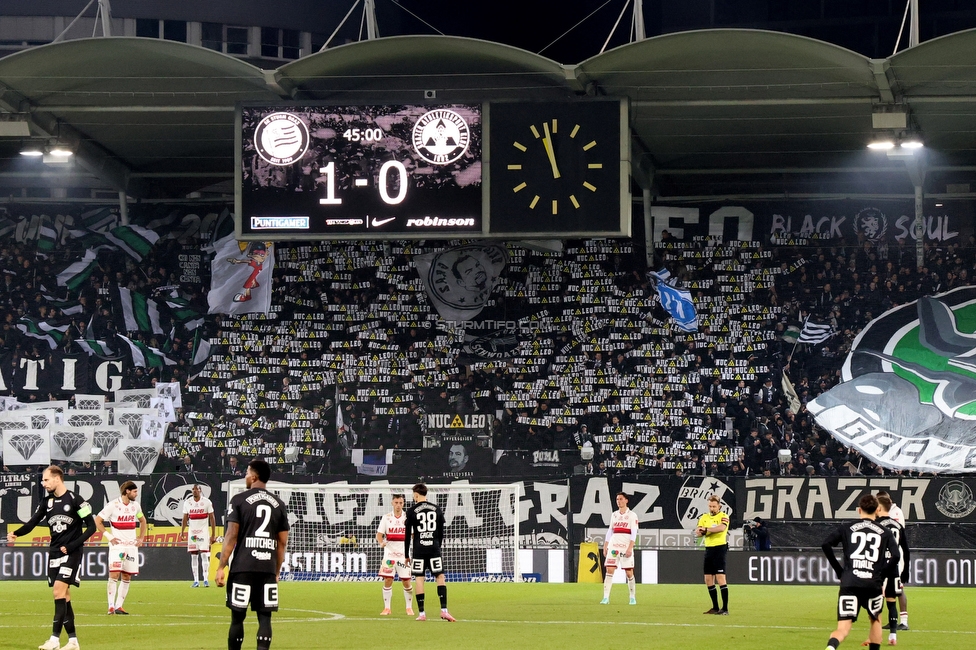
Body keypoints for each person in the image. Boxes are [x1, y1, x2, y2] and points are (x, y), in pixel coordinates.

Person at [6, 465, 97, 650]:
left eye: (46, 479)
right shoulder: (46, 502)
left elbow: (92, 527)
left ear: (57, 479)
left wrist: (72, 545)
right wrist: (16, 532)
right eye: (42, 480)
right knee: (65, 596)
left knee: (58, 590)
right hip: (54, 553)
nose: (43, 483)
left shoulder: (76, 500)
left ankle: (54, 639)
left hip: (72, 553)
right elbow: (32, 523)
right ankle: (73, 641)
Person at [216, 459, 289, 650]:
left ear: (254, 476)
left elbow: (231, 536)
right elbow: (282, 543)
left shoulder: (239, 500)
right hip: (266, 569)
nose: (245, 476)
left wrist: (221, 567)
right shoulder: (279, 504)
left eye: (247, 472)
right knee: (265, 618)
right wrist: (276, 571)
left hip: (243, 567)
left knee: (237, 618)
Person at [821, 493, 899, 650]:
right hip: (872, 583)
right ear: (877, 510)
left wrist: (839, 571)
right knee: (875, 619)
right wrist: (881, 574)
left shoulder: (847, 528)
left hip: (850, 581)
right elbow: (896, 556)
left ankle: (831, 647)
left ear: (859, 510)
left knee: (843, 628)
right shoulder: (884, 532)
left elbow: (826, 544)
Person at [403, 483, 455, 622]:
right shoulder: (436, 509)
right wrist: (438, 546)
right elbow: (441, 533)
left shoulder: (412, 511)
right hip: (434, 549)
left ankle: (422, 613)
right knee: (440, 577)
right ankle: (444, 610)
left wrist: (407, 554)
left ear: (416, 494)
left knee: (419, 579)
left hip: (419, 549)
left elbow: (407, 535)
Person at [95, 480, 147, 616]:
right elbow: (97, 521)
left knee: (126, 576)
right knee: (114, 574)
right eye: (135, 491)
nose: (136, 494)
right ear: (127, 491)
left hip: (131, 546)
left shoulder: (135, 506)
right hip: (117, 546)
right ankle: (111, 606)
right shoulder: (113, 505)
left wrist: (141, 537)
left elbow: (142, 520)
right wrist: (109, 536)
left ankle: (119, 606)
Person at [872, 493, 910, 646]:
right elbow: (906, 550)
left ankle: (876, 635)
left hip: (880, 566)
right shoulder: (898, 525)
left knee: (876, 602)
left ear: (879, 508)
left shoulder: (876, 525)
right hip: (894, 566)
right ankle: (893, 636)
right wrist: (906, 569)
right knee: (891, 601)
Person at [375, 493, 415, 616]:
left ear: (403, 504)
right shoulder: (386, 518)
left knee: (406, 581)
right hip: (389, 555)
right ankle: (387, 608)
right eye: (396, 503)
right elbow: (379, 535)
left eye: (400, 503)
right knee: (388, 580)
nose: (398, 505)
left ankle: (409, 607)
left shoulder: (408, 517)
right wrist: (381, 543)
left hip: (404, 555)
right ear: (392, 503)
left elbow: (413, 535)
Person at [600, 491, 639, 605]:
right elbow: (610, 530)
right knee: (609, 570)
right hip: (614, 546)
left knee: (629, 573)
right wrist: (606, 544)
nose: (619, 501)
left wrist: (630, 548)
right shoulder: (614, 515)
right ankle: (606, 598)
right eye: (617, 499)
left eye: (621, 499)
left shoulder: (632, 515)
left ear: (626, 500)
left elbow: (634, 533)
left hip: (625, 546)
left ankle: (632, 597)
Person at [695, 494, 730, 615]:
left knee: (720, 578)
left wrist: (706, 530)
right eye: (710, 506)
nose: (712, 508)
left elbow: (721, 528)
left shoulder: (724, 516)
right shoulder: (704, 517)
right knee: (708, 579)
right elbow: (698, 532)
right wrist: (703, 531)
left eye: (714, 506)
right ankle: (715, 607)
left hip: (720, 548)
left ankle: (725, 608)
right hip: (709, 549)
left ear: (719, 506)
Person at [180, 483, 217, 588]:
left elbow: (212, 518)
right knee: (194, 556)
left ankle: (205, 579)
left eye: (196, 489)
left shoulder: (206, 502)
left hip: (203, 533)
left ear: (200, 490)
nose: (194, 491)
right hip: (192, 533)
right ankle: (196, 580)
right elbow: (185, 518)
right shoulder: (187, 502)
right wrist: (182, 531)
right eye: (193, 489)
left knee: (204, 555)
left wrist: (213, 534)